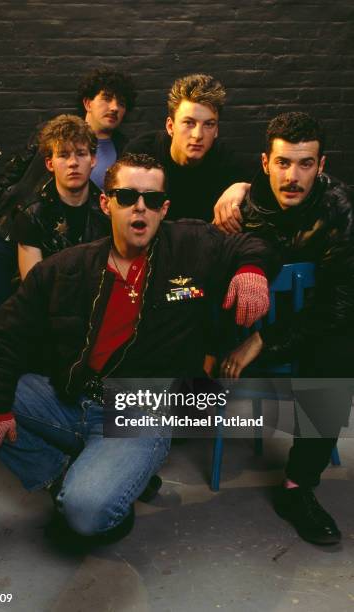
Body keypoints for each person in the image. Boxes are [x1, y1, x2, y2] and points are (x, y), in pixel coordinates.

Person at [0, 153, 276, 545]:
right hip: (69, 399)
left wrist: (252, 269)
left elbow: (254, 243)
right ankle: (60, 472)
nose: (140, 208)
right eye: (126, 197)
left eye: (152, 200)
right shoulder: (67, 267)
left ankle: (100, 477)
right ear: (106, 203)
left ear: (164, 208)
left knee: (85, 515)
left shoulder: (191, 244)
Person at [217, 111, 354, 546]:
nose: (292, 176)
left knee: (339, 351)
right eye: (282, 163)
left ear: (322, 165)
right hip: (237, 329)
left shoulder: (340, 209)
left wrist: (264, 339)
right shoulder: (240, 207)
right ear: (264, 163)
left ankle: (298, 488)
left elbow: (339, 302)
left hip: (301, 332)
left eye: (305, 164)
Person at [0, 67, 136, 316]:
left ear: (92, 157)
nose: (114, 107)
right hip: (8, 231)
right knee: (5, 314)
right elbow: (11, 174)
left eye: (121, 103)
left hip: (59, 242)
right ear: (88, 102)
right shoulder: (52, 134)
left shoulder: (123, 147)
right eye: (107, 99)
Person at [124, 73, 251, 222]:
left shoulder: (227, 161)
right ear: (170, 126)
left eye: (209, 124)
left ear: (216, 130)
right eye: (189, 123)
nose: (198, 135)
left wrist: (243, 187)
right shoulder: (142, 152)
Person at [11, 114, 109, 280]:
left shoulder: (107, 210)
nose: (73, 163)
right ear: (50, 164)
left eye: (80, 153)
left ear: (92, 160)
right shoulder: (31, 215)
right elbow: (33, 287)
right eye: (63, 155)